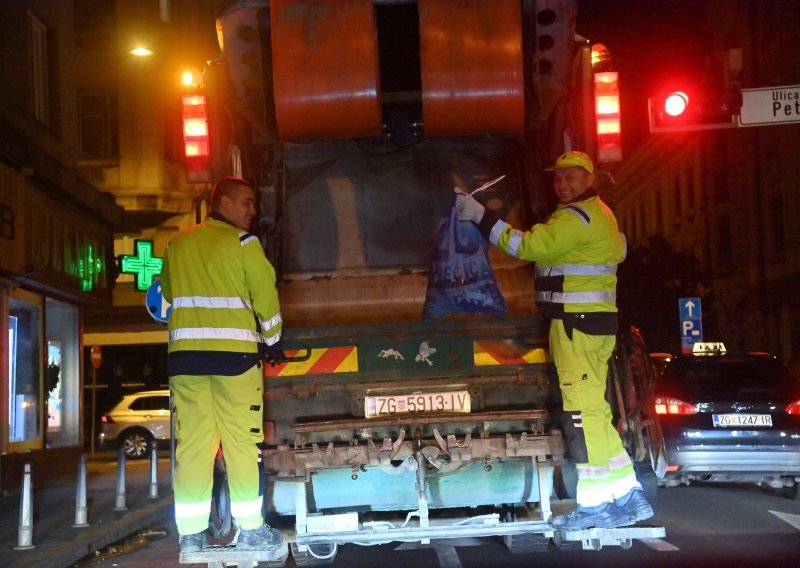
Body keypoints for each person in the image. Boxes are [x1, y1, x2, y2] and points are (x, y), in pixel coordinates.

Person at [455, 151, 653, 530]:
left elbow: (527, 247)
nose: (562, 184)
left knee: (581, 416)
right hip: (595, 326)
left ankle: (594, 506)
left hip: (575, 328)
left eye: (571, 178)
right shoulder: (602, 214)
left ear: (589, 178)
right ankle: (629, 495)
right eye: (558, 178)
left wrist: (481, 216)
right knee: (595, 411)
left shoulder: (574, 219)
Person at [161, 177, 286, 553]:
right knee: (242, 445)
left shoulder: (176, 245)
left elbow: (167, 295)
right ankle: (251, 529)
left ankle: (191, 537)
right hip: (235, 363)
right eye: (246, 203)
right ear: (225, 204)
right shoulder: (245, 245)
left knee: (193, 447)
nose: (252, 211)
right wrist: (274, 339)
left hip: (185, 364)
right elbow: (265, 294)